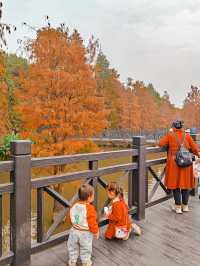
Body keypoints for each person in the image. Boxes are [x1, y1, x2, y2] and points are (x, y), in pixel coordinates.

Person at [159, 120, 200, 214]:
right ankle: (185, 206)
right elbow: (195, 149)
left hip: (174, 164)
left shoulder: (170, 135)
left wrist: (169, 133)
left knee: (176, 185)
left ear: (173, 126)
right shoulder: (187, 136)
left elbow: (161, 143)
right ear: (182, 127)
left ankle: (177, 207)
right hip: (186, 163)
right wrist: (198, 155)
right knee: (185, 185)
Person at [67, 184, 99, 266]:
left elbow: (70, 219)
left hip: (74, 231)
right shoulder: (90, 209)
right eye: (93, 195)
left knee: (72, 246)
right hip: (85, 233)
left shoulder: (73, 206)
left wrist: (75, 223)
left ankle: (72, 261)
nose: (94, 197)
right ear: (89, 197)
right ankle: (85, 262)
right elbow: (92, 223)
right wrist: (96, 232)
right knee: (85, 247)